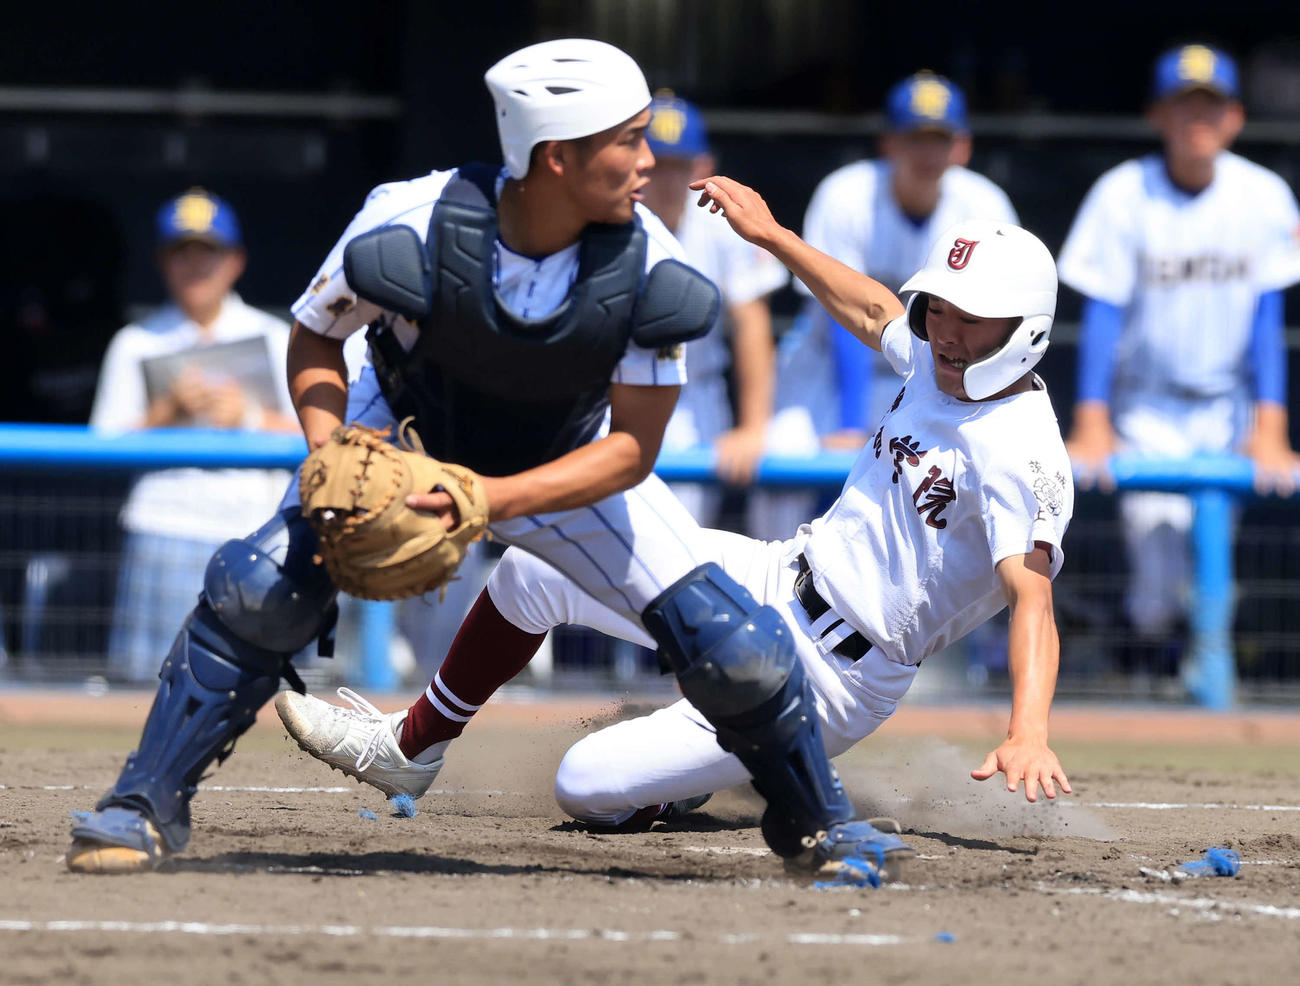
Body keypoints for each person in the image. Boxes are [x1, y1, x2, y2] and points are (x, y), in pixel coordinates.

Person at [68, 39, 908, 882]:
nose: (650, 161)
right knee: (257, 589)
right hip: (400, 433)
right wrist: (332, 454)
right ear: (556, 156)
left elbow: (630, 450)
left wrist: (486, 497)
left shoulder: (655, 266)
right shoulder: (409, 221)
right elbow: (319, 336)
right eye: (629, 140)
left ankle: (820, 825)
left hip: (564, 459)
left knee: (735, 645)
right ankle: (140, 805)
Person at [283, 198, 1076, 849]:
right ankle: (410, 748)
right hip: (771, 574)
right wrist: (773, 237)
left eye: (972, 317)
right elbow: (872, 309)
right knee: (538, 569)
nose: (944, 326)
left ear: (1025, 329)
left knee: (584, 787)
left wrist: (1028, 731)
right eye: (939, 304)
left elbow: (1031, 601)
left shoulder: (1021, 453)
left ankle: (711, 770)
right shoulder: (941, 359)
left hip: (835, 677)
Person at [1058, 43, 1300, 695]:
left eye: (1210, 106)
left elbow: (1265, 319)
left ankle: (1200, 690)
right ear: (1157, 114)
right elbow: (1101, 313)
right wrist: (1093, 418)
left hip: (1228, 404)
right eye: (1183, 105)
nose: (1198, 119)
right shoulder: (1122, 194)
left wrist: (1271, 423)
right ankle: (1138, 662)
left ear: (1235, 117)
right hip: (1148, 406)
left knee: (1211, 574)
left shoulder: (1264, 194)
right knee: (1157, 587)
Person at [751, 71, 1018, 541]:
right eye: (915, 138)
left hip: (929, 373)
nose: (927, 153)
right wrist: (853, 423)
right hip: (827, 371)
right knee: (782, 462)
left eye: (939, 139)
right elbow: (842, 317)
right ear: (889, 143)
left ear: (963, 146)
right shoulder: (846, 194)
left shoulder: (984, 204)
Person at [89, 189, 301, 681]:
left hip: (251, 532)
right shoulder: (135, 341)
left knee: (253, 685)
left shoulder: (275, 336)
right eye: (182, 253)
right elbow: (99, 448)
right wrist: (166, 411)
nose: (196, 266)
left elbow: (315, 437)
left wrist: (245, 415)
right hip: (162, 529)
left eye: (209, 252)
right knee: (147, 683)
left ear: (235, 262)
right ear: (163, 262)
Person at [640, 91, 788, 525]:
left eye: (678, 166)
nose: (667, 180)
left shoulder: (721, 225)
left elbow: (751, 325)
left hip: (693, 395)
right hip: (610, 396)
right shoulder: (604, 219)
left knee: (680, 542)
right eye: (657, 164)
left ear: (701, 167)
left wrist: (752, 426)